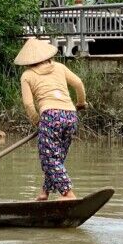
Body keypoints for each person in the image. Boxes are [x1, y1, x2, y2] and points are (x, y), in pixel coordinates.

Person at [14, 38, 87, 201]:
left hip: (50, 116)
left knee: (49, 157)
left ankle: (68, 194)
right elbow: (79, 84)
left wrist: (37, 122)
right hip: (70, 115)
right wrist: (81, 103)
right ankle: (44, 192)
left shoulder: (27, 75)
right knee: (57, 157)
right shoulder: (60, 67)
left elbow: (28, 104)